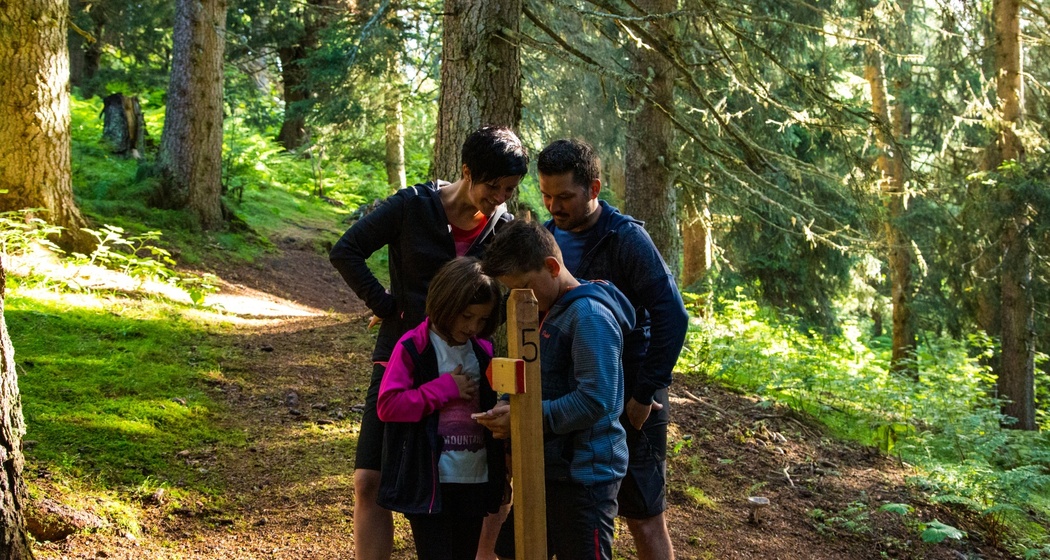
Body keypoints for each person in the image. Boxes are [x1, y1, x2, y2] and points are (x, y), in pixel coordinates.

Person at [329, 126, 529, 560]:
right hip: (403, 359)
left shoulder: (504, 230)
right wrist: (386, 306)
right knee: (369, 480)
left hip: (474, 368)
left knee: (487, 478)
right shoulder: (412, 206)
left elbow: (530, 284)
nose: (499, 196)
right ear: (466, 172)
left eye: (509, 189)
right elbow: (347, 250)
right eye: (492, 186)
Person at [537, 138, 689, 560]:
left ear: (594, 189)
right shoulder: (546, 239)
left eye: (565, 196)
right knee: (573, 508)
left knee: (643, 516)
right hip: (571, 396)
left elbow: (672, 316)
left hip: (633, 396)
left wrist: (645, 392)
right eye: (547, 195)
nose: (554, 206)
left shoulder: (626, 239)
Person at [476, 220, 636, 560]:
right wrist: (508, 406)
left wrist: (525, 418)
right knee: (515, 550)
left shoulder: (589, 316)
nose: (520, 297)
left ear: (551, 267)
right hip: (546, 468)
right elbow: (536, 378)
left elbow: (595, 399)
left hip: (585, 479)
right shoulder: (547, 310)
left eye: (524, 287)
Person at [375, 257, 508, 560]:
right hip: (430, 480)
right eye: (466, 316)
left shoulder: (483, 350)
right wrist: (445, 389)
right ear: (445, 303)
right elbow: (388, 405)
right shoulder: (413, 347)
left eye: (482, 320)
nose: (473, 326)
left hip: (475, 477)